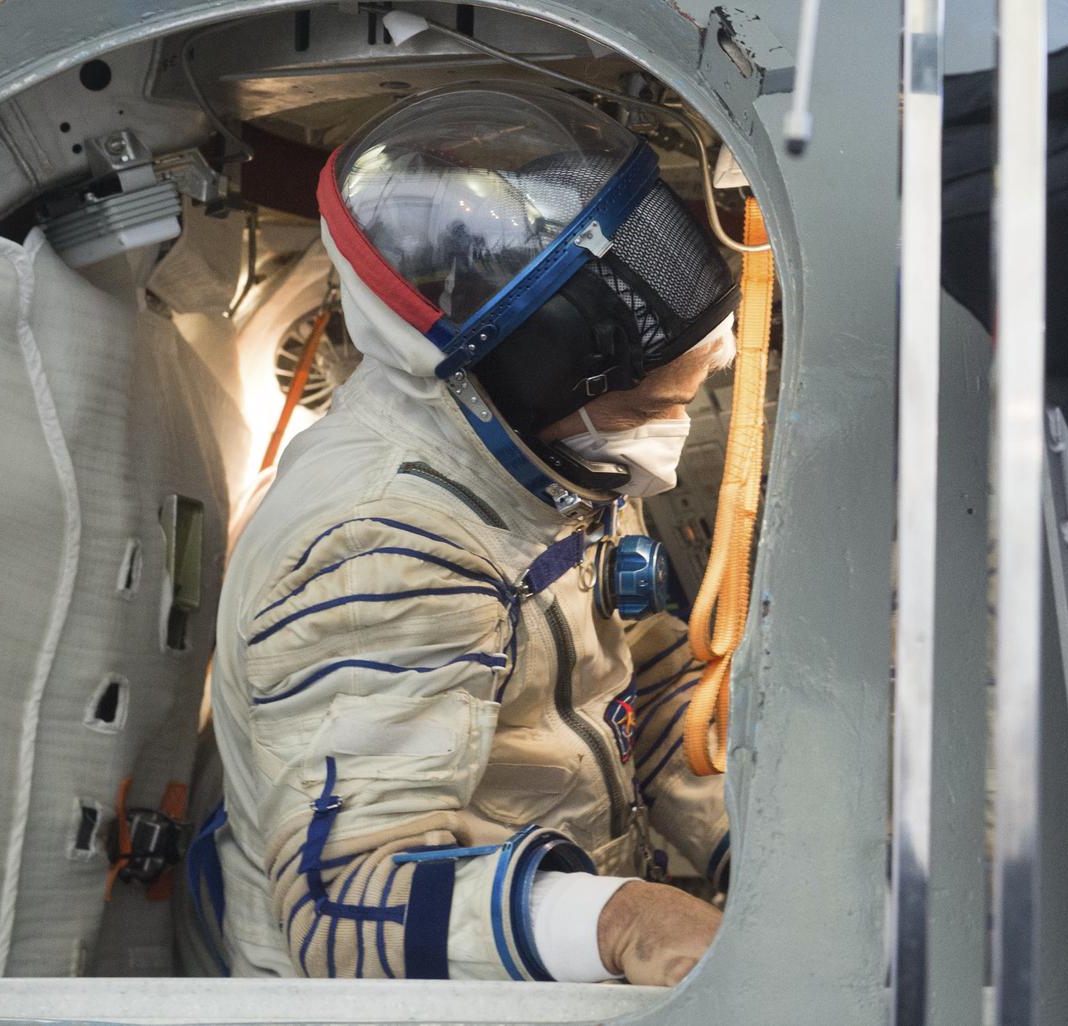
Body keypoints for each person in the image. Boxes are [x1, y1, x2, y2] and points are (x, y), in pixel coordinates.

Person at [204, 82, 739, 985]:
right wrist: (623, 923)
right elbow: (349, 908)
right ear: (530, 378)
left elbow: (637, 680)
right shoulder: (379, 550)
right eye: (646, 409)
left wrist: (753, 834)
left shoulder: (552, 458)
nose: (666, 441)